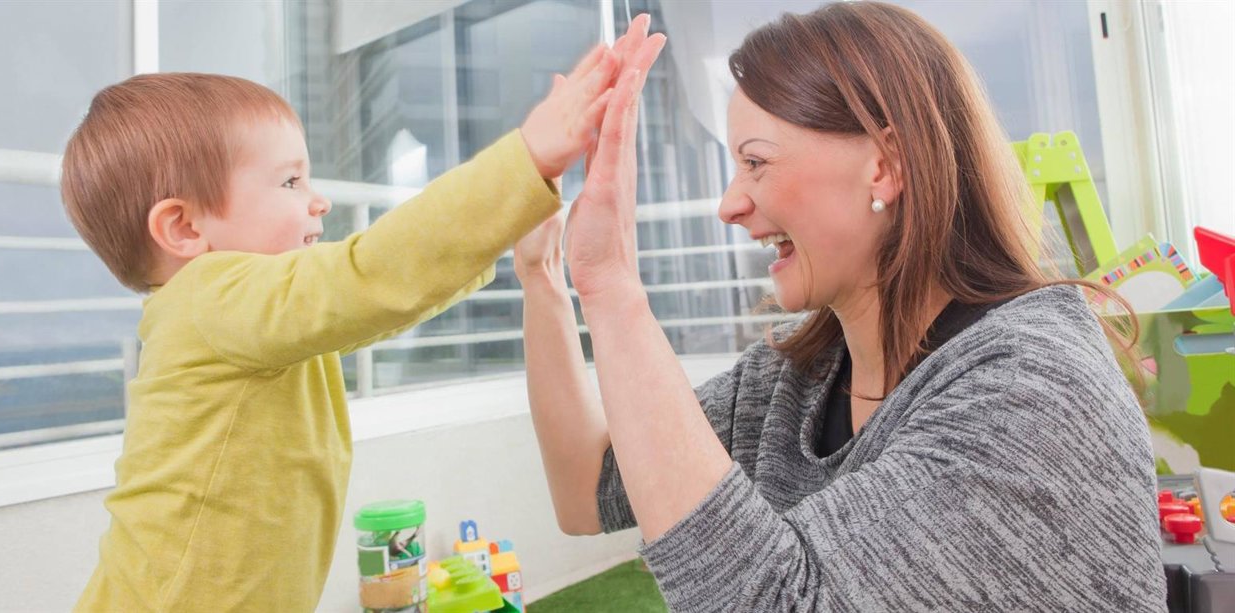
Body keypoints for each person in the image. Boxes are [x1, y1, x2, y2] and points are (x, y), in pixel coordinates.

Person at [515, 3, 1166, 611]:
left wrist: (613, 286)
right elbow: (586, 488)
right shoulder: (789, 385)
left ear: (883, 166)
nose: (728, 204)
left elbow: (775, 601)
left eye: (755, 162)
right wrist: (542, 273)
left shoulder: (1035, 389)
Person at [62, 16, 661, 610]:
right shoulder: (209, 296)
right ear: (185, 227)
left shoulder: (250, 324)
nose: (318, 199)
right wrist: (528, 159)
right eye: (291, 181)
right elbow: (369, 276)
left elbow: (380, 304)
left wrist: (504, 237)